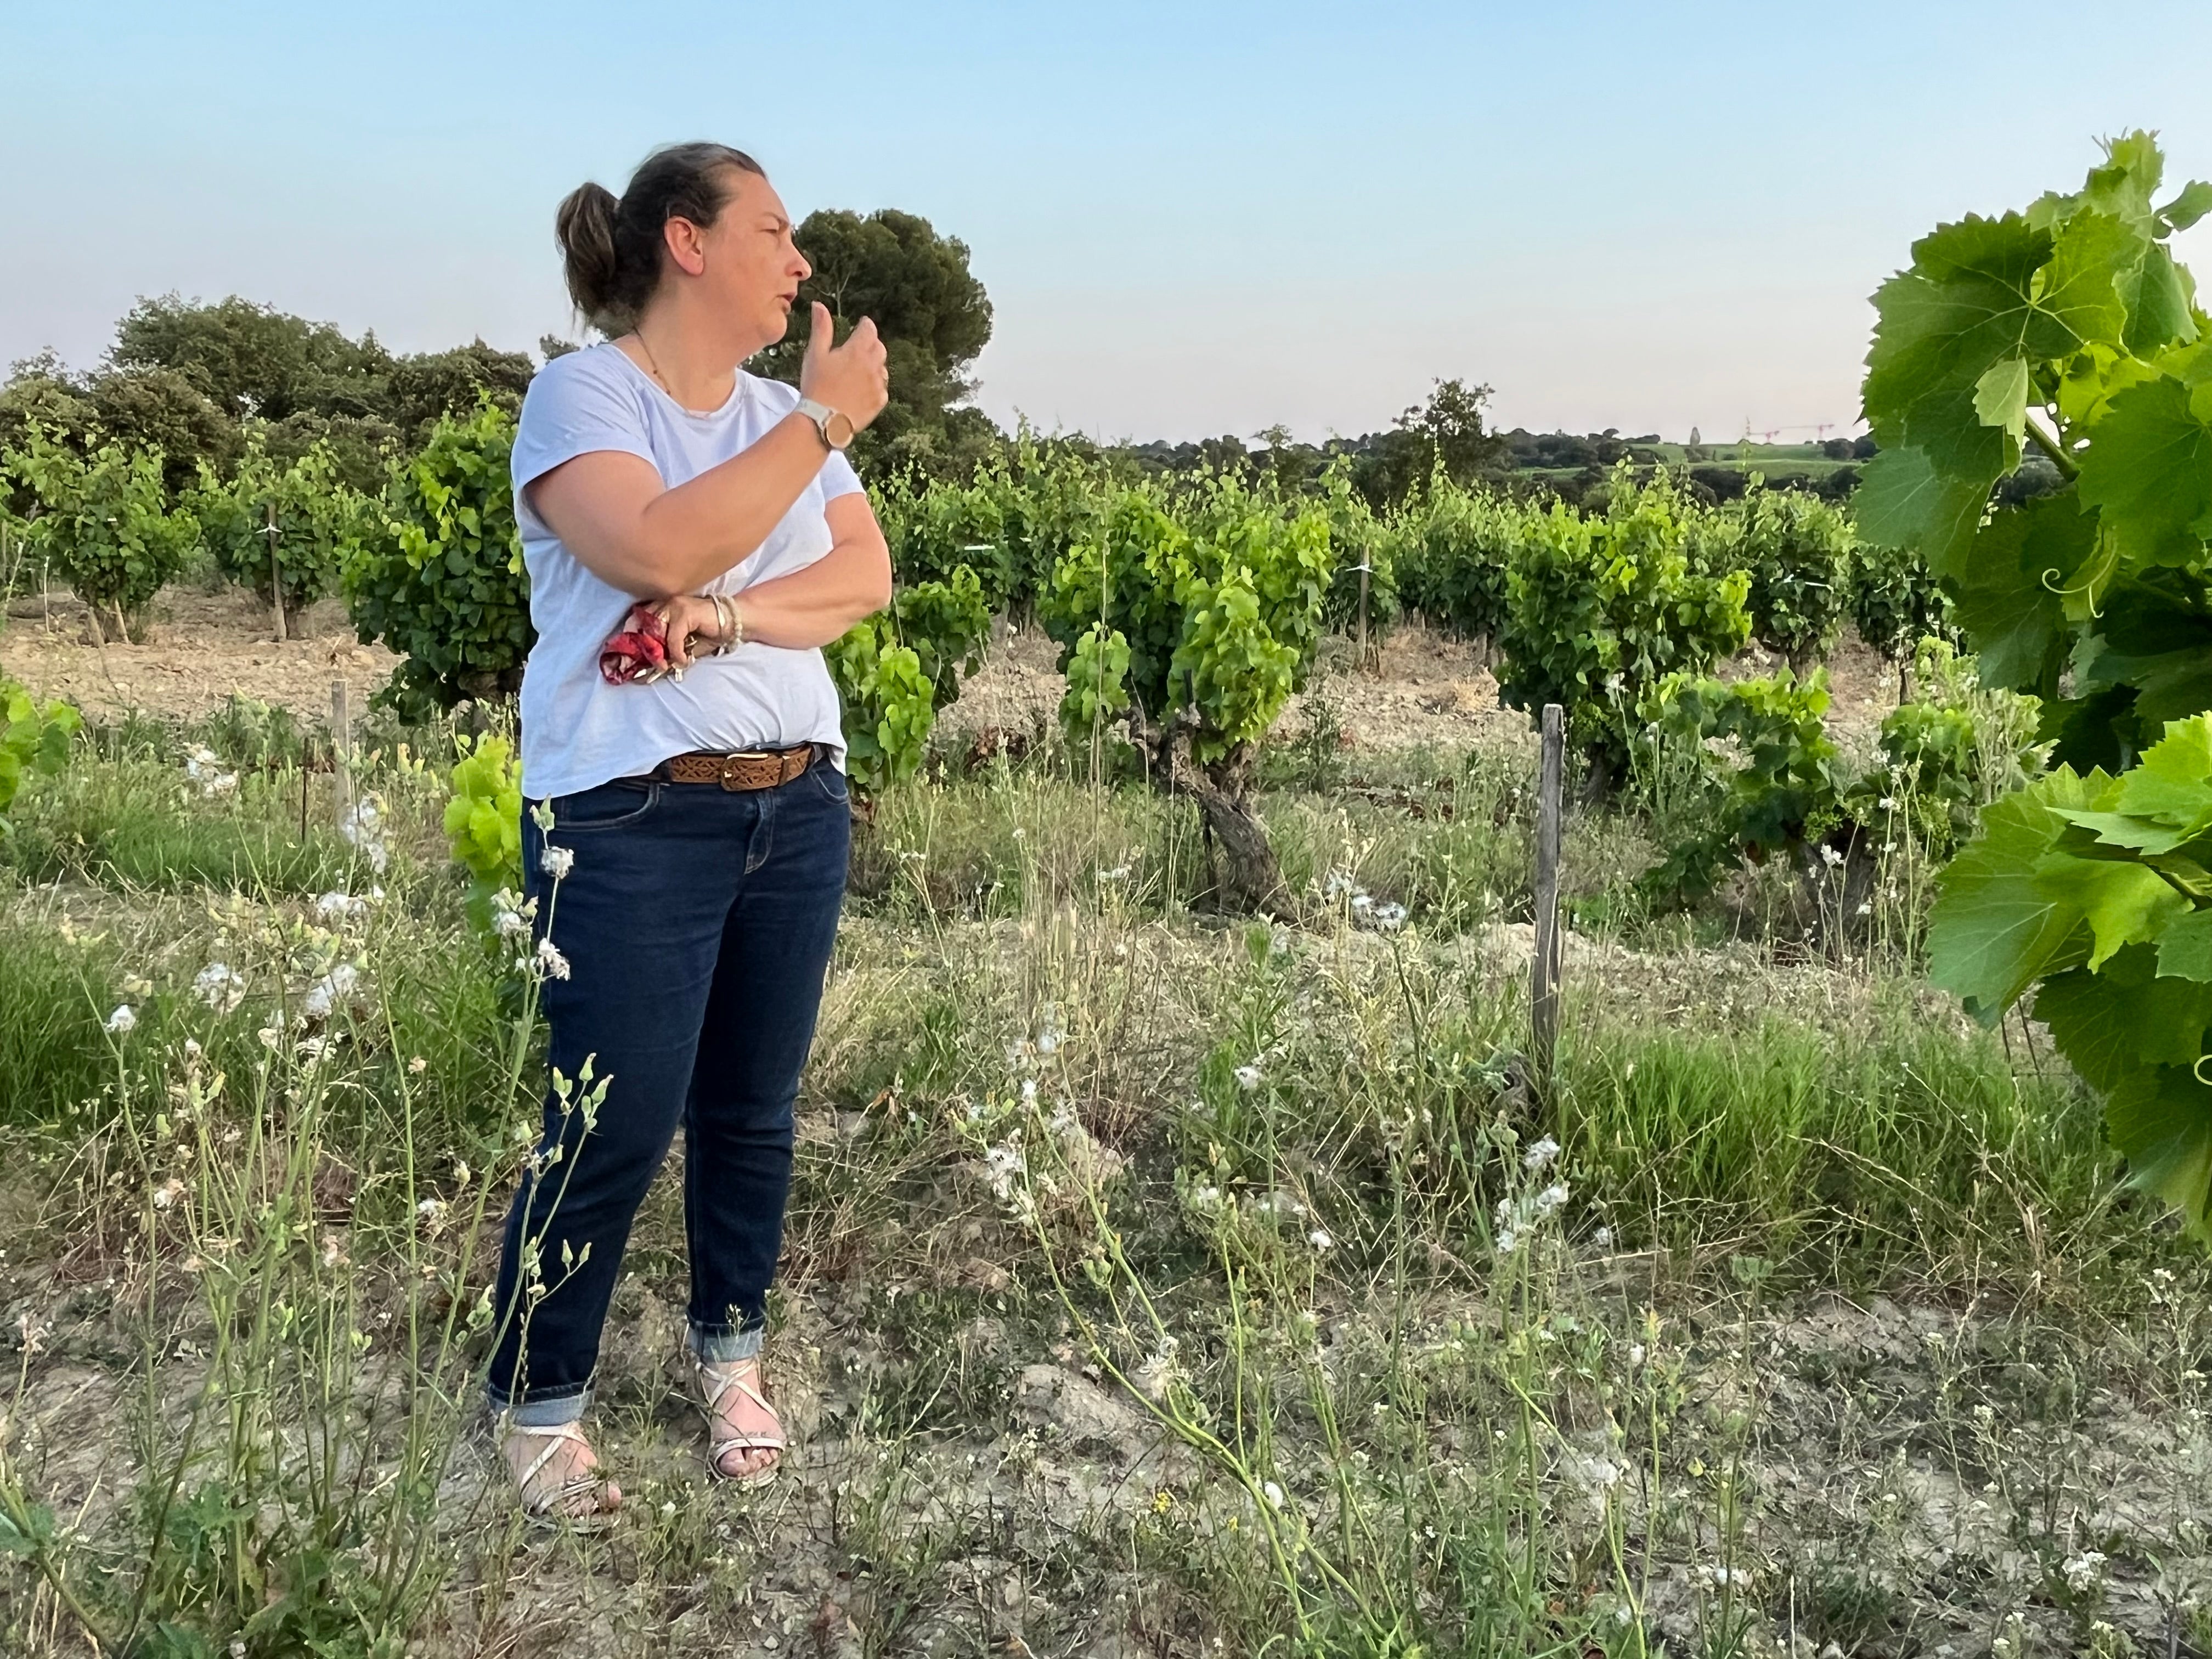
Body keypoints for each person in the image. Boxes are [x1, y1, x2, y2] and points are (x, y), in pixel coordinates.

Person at [484, 141, 891, 1521]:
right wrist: (822, 429)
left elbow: (863, 580)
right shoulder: (582, 396)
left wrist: (727, 619)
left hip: (799, 800)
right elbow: (656, 545)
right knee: (611, 1117)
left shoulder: (771, 414)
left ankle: (732, 1360)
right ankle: (539, 1402)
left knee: (751, 1114)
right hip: (632, 813)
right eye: (775, 231)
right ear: (689, 242)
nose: (803, 261)